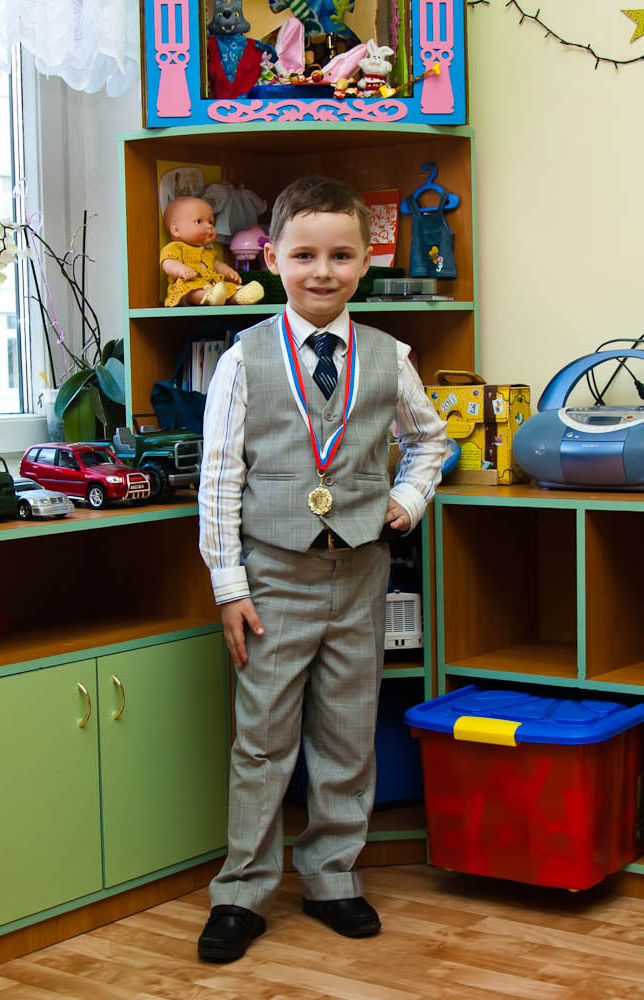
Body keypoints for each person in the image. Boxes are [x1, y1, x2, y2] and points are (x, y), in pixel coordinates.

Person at [195, 175, 447, 962]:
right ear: (272, 259)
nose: (323, 272)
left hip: (361, 572)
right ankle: (242, 892)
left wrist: (408, 498)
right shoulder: (243, 361)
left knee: (347, 734)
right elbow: (218, 479)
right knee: (263, 741)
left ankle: (333, 876)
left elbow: (431, 440)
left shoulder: (389, 357)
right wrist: (229, 586)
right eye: (304, 255)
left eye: (341, 256)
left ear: (366, 261)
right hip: (274, 578)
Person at [161, 196, 265, 307]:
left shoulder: (208, 252)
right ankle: (210, 297)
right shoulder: (175, 247)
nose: (209, 227)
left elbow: (216, 265)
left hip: (212, 284)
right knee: (192, 291)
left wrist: (228, 272)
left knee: (227, 287)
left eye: (211, 222)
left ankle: (239, 296)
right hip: (188, 284)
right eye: (199, 221)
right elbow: (168, 262)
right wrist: (180, 270)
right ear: (176, 230)